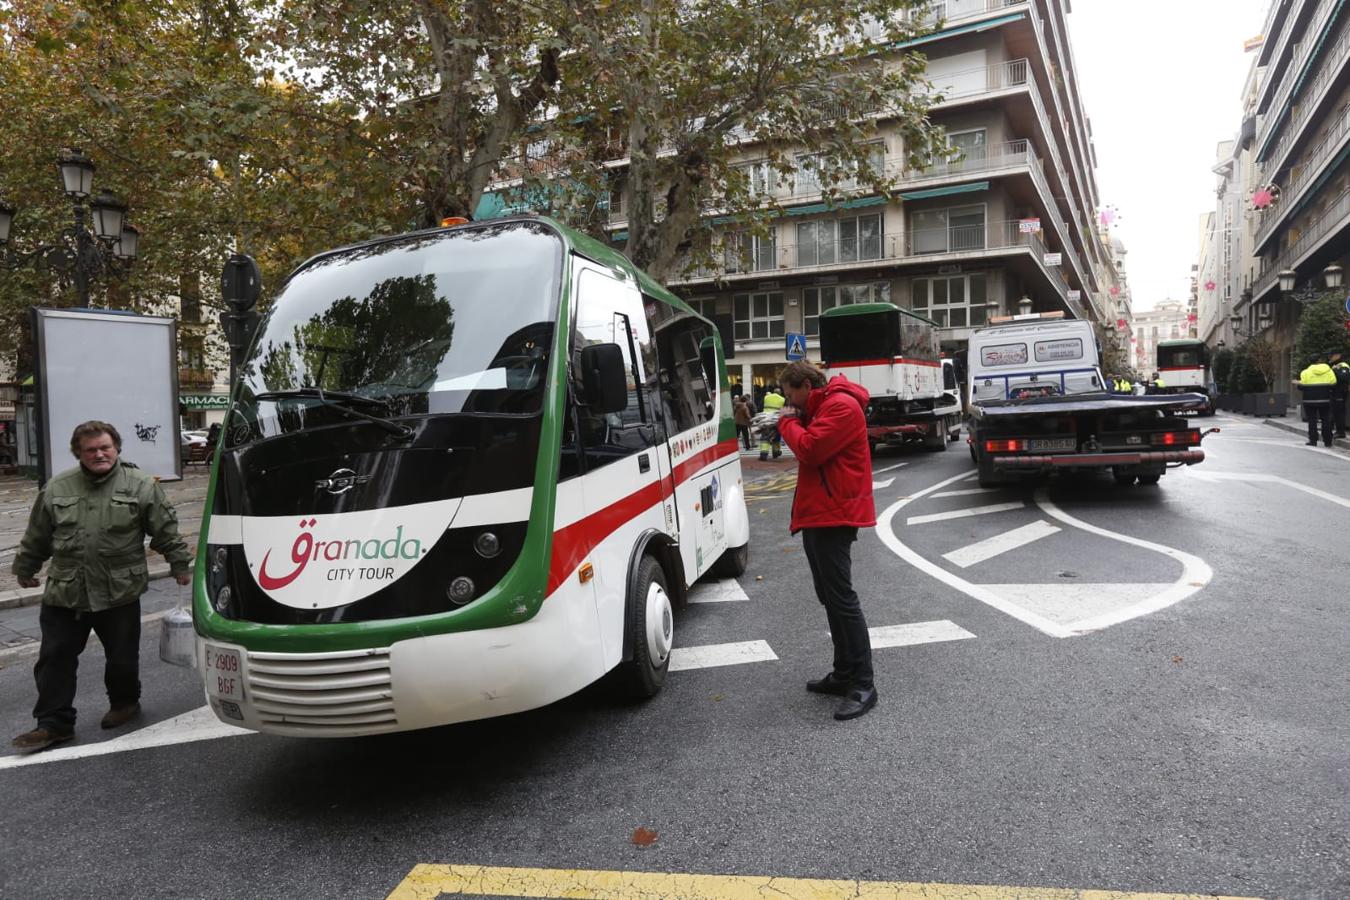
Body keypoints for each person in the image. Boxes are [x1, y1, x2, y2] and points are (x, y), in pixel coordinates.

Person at [10, 421, 193, 753]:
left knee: (122, 658)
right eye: (91, 449)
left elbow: (165, 530)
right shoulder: (57, 487)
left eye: (105, 447)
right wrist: (26, 567)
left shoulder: (140, 485)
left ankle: (125, 703)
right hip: (67, 590)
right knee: (55, 658)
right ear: (78, 452)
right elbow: (38, 533)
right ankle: (54, 724)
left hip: (118, 590)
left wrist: (179, 564)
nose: (99, 454)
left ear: (117, 448)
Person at [775, 361, 878, 721]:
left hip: (835, 513)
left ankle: (864, 683)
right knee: (829, 596)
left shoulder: (841, 406)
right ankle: (844, 672)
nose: (791, 404)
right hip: (822, 512)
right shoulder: (825, 406)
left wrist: (787, 422)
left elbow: (811, 450)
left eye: (791, 397)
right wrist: (797, 420)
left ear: (805, 385)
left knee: (842, 598)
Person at [1297, 355, 1338, 447]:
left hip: (1309, 400)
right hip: (1325, 399)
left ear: (1310, 361)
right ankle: (1328, 441)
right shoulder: (1329, 370)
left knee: (1312, 420)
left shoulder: (1305, 372)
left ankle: (1313, 440)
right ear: (1320, 360)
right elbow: (1334, 383)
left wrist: (1299, 384)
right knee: (1326, 419)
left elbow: (1301, 386)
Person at [759, 388, 786, 460]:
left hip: (766, 419)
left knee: (765, 436)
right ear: (780, 393)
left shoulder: (766, 397)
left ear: (773, 392)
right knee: (777, 436)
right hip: (776, 420)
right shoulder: (782, 399)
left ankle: (763, 454)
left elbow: (760, 407)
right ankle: (776, 452)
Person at [1330, 353, 1349, 439]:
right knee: (1336, 412)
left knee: (1340, 412)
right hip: (1335, 392)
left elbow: (1344, 378)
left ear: (1338, 356)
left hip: (1340, 392)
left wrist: (1335, 370)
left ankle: (1341, 432)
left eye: (1332, 355)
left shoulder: (1343, 366)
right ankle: (1337, 430)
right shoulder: (1335, 366)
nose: (1330, 357)